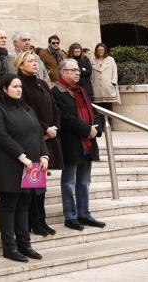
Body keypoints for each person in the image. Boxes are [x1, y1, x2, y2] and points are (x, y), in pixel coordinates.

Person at [0, 74, 49, 262]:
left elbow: (38, 132)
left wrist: (44, 155)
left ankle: (24, 244)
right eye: (15, 86)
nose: (19, 89)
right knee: (9, 205)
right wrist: (22, 156)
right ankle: (9, 246)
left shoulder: (26, 107)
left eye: (20, 86)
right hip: (8, 164)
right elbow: (1, 136)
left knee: (24, 205)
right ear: (4, 88)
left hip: (30, 165)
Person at [53, 59, 106, 231]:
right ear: (63, 72)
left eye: (78, 70)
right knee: (69, 182)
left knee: (84, 181)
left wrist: (95, 129)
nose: (78, 73)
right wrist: (87, 130)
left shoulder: (81, 90)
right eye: (73, 70)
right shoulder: (56, 92)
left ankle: (84, 214)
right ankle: (70, 216)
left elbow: (96, 112)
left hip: (87, 144)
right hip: (71, 143)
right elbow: (66, 118)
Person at [14, 50, 63, 237]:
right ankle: (33, 221)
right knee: (32, 185)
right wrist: (45, 129)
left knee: (41, 184)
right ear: (20, 65)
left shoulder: (42, 83)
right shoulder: (20, 85)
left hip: (48, 138)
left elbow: (55, 107)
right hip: (32, 139)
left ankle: (41, 219)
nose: (35, 63)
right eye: (30, 61)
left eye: (35, 61)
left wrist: (54, 128)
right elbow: (27, 111)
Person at [91, 43, 120, 110]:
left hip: (108, 87)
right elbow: (90, 74)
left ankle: (109, 121)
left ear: (105, 50)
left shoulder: (111, 59)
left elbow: (114, 71)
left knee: (109, 108)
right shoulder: (92, 60)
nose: (100, 51)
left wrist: (113, 82)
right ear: (96, 51)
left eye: (102, 50)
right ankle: (101, 121)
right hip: (96, 88)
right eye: (99, 50)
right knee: (98, 109)